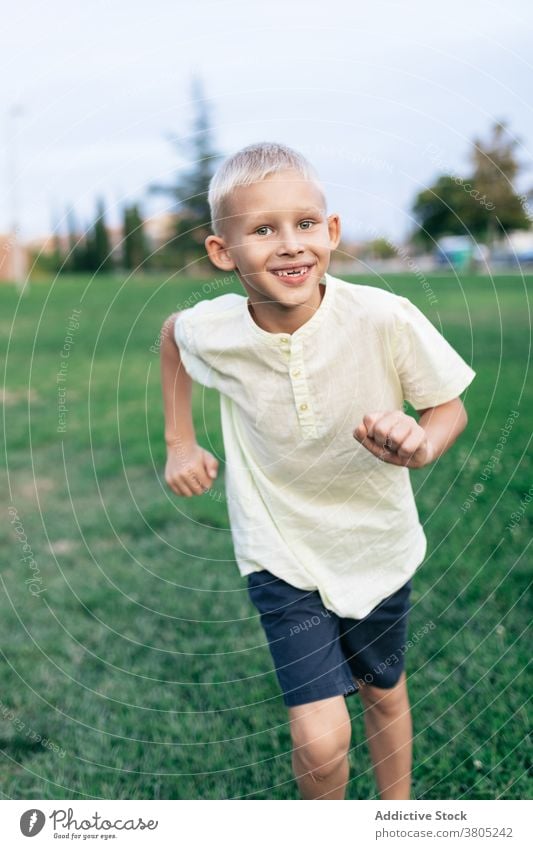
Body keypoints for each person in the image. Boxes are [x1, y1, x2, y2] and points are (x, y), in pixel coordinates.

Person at [160, 142, 476, 800]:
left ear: (331, 232)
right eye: (262, 229)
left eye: (304, 224)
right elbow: (172, 333)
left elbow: (447, 408)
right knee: (320, 737)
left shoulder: (382, 317)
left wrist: (420, 442)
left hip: (374, 542)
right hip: (279, 552)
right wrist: (179, 441)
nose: (289, 245)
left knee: (383, 692)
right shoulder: (215, 328)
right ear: (223, 252)